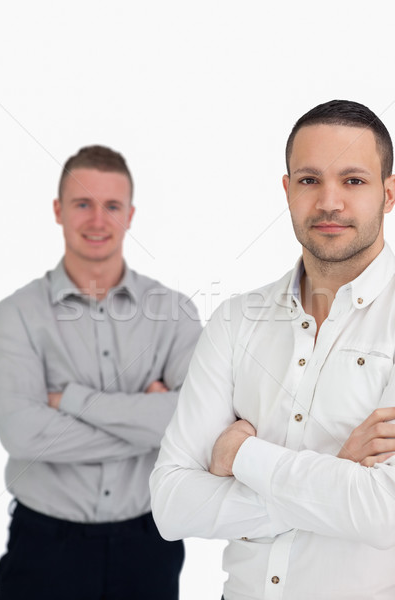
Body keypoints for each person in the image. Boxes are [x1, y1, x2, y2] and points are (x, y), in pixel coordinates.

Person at [150, 100, 395, 599]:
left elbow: (384, 514)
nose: (329, 202)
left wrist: (241, 455)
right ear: (287, 191)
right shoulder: (237, 321)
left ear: (389, 194)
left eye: (353, 181)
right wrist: (335, 479)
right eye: (309, 180)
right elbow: (172, 504)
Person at [0, 145, 201, 600]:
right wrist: (150, 421)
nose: (97, 220)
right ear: (58, 210)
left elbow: (199, 424)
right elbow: (24, 436)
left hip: (148, 548)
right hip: (43, 549)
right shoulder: (15, 316)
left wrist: (71, 400)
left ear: (130, 215)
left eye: (112, 206)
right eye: (82, 203)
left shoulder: (173, 312)